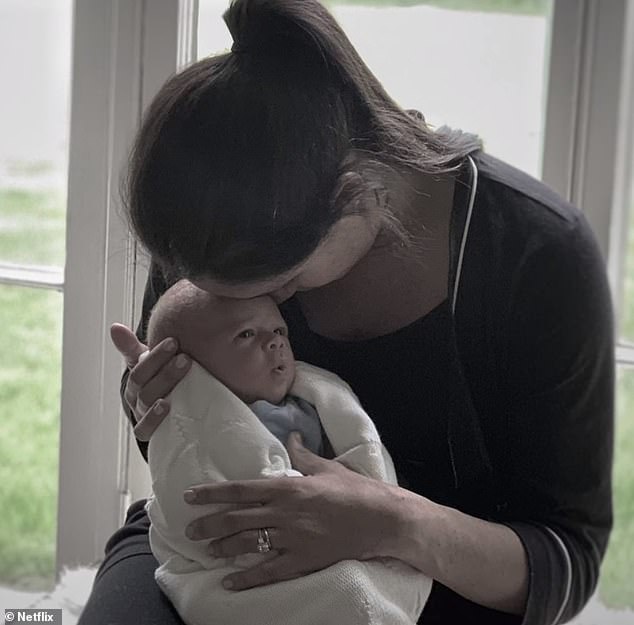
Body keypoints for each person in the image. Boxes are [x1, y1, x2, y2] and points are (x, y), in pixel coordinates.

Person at [78, 0, 615, 623]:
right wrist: (160, 404)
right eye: (217, 293)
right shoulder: (220, 209)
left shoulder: (535, 252)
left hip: (435, 578)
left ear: (361, 194)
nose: (260, 308)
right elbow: (197, 435)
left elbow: (564, 561)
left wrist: (394, 523)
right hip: (217, 549)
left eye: (278, 285)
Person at [141, 279, 431, 625]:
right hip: (264, 565)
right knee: (349, 596)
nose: (275, 341)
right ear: (191, 366)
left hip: (354, 529)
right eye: (247, 335)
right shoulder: (207, 432)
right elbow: (203, 508)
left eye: (280, 330)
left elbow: (362, 454)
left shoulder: (315, 399)